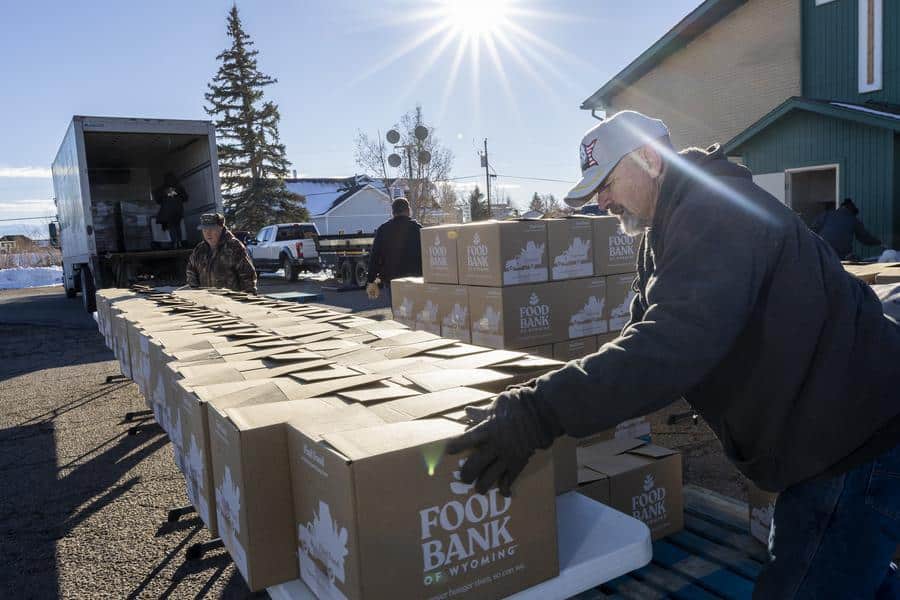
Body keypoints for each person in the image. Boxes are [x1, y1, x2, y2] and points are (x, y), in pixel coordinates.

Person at [447, 110, 900, 599]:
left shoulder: (714, 211)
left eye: (606, 183)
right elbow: (636, 343)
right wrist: (540, 405)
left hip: (854, 436)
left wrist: (537, 411)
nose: (600, 201)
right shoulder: (662, 232)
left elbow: (670, 346)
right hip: (826, 434)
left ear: (649, 159)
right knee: (859, 578)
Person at [365, 197, 422, 303]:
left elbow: (375, 256)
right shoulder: (418, 229)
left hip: (392, 280)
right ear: (408, 210)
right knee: (416, 312)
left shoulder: (383, 230)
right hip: (416, 279)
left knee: (398, 311)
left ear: (393, 212)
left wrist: (371, 280)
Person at [186, 213, 257, 293]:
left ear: (221, 228)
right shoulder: (199, 250)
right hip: (206, 301)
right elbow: (191, 272)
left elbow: (247, 277)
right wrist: (197, 294)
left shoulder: (234, 247)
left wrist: (247, 299)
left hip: (230, 302)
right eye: (204, 229)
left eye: (212, 229)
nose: (208, 233)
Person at [811, 197, 883, 259]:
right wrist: (879, 242)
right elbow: (865, 238)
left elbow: (812, 232)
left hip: (822, 252)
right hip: (841, 255)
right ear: (852, 211)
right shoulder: (853, 219)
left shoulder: (825, 215)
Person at [154, 172, 189, 248]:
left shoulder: (163, 189)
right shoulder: (179, 188)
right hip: (178, 210)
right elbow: (185, 198)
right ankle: (179, 242)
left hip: (168, 211)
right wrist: (177, 195)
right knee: (177, 226)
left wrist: (165, 195)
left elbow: (158, 200)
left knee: (172, 226)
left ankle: (175, 242)